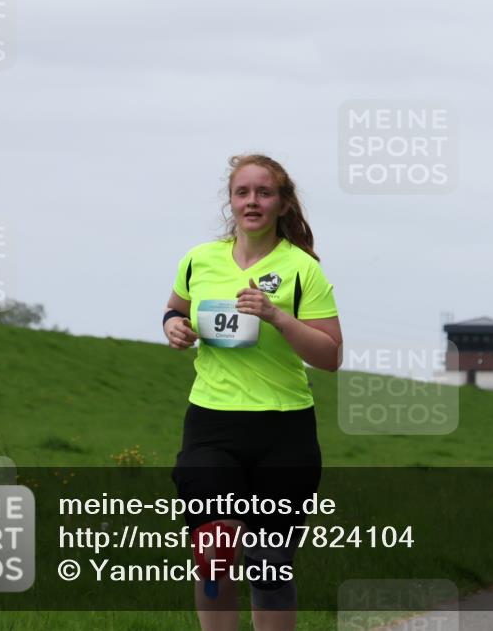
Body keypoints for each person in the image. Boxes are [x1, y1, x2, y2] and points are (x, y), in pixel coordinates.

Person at [165, 154, 342, 631]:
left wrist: (277, 317)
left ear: (282, 204)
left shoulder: (302, 270)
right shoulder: (199, 259)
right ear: (231, 200)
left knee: (268, 566)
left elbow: (330, 356)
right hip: (212, 423)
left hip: (283, 429)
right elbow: (174, 310)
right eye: (243, 192)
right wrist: (175, 327)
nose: (252, 201)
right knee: (213, 553)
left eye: (264, 193)